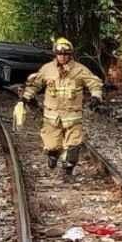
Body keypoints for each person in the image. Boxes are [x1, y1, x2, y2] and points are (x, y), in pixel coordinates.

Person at [19, 38, 103, 182]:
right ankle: (53, 155)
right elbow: (35, 85)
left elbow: (94, 83)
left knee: (73, 145)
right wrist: (25, 98)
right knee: (52, 145)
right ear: (55, 54)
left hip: (72, 115)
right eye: (60, 54)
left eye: (66, 54)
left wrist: (96, 97)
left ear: (70, 54)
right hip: (52, 116)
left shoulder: (80, 70)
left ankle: (68, 171)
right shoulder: (47, 69)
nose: (63, 57)